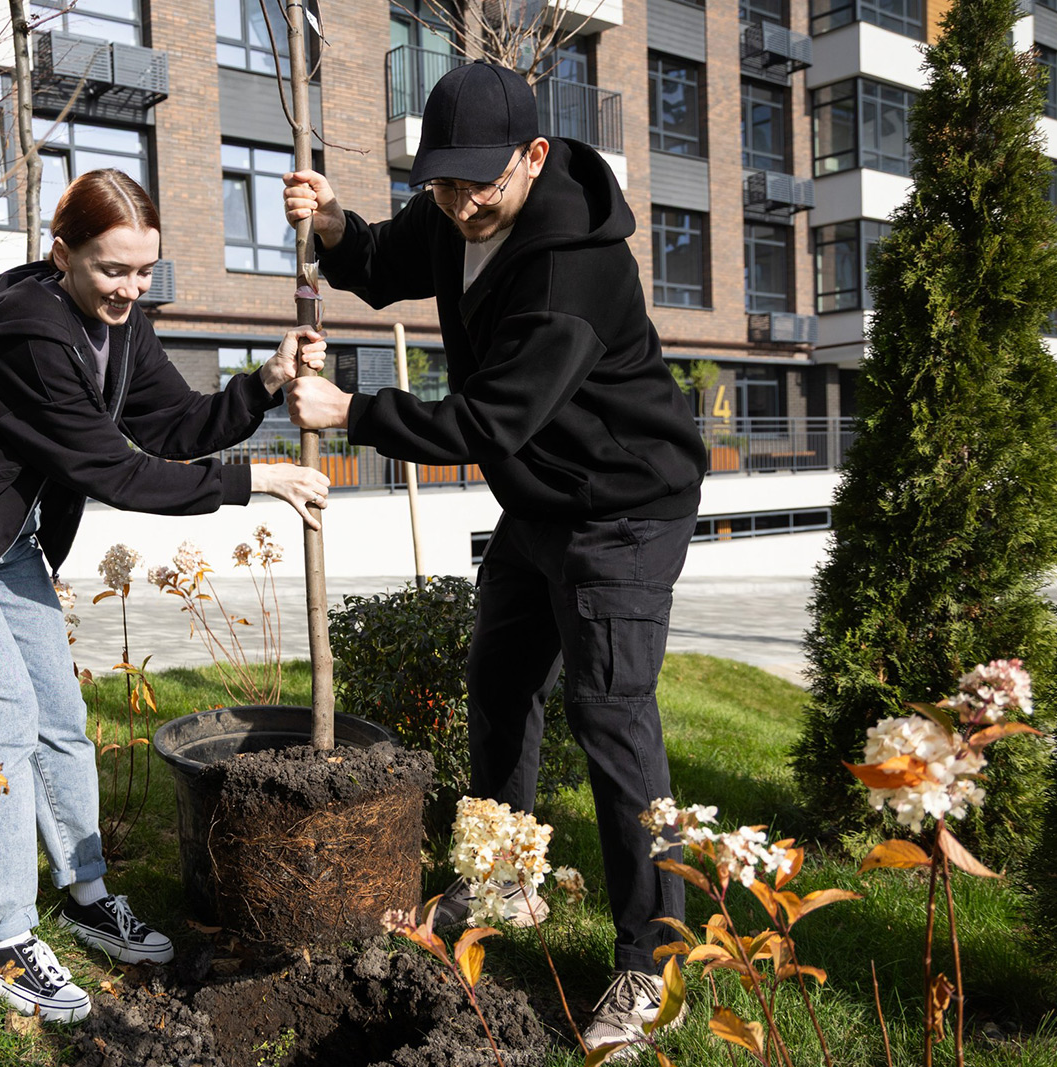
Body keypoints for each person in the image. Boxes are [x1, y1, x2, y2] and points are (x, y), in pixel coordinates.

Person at [281, 62, 706, 1054]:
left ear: (534, 157)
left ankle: (656, 964)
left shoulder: (572, 268)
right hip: (542, 498)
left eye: (481, 184)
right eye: (442, 184)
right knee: (500, 677)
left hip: (623, 507)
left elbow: (488, 419)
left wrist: (351, 411)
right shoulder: (454, 208)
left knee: (612, 718)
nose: (461, 204)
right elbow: (383, 259)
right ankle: (499, 880)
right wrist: (336, 224)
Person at [0, 168, 329, 1023]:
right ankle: (4, 940)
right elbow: (116, 471)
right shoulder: (32, 337)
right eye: (113, 269)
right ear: (63, 254)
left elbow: (174, 425)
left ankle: (85, 895)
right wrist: (256, 480)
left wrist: (265, 380)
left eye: (145, 270)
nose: (131, 288)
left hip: (6, 544)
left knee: (59, 717)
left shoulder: (121, 326)